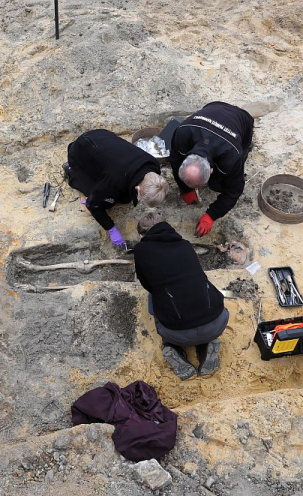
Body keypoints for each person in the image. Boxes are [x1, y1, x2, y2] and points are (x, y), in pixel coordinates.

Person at [133, 212, 229, 380]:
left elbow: (147, 284)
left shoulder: (141, 249)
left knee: (153, 298)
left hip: (177, 333)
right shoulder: (185, 244)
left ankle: (172, 347)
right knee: (197, 287)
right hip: (218, 321)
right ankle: (207, 343)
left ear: (142, 235)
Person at [64, 129, 169, 248]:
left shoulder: (153, 164)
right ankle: (70, 171)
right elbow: (93, 205)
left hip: (102, 136)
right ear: (138, 189)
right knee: (104, 200)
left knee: (124, 198)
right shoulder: (115, 180)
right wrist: (111, 228)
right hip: (81, 150)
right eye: (143, 200)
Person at [170, 101, 254, 237]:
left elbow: (234, 191)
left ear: (211, 170)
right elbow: (174, 160)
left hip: (243, 120)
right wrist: (186, 189)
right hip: (213, 106)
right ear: (184, 160)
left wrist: (212, 214)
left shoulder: (232, 155)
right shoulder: (182, 132)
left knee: (218, 184)